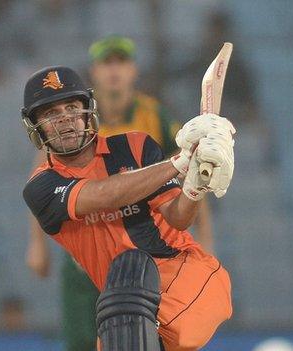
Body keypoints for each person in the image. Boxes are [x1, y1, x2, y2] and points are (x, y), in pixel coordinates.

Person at [21, 65, 233, 351]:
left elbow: (178, 218)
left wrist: (194, 186)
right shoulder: (41, 187)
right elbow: (103, 195)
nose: (65, 120)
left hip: (189, 279)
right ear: (36, 126)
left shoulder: (134, 146)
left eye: (71, 107)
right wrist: (180, 163)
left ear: (87, 112)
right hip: (127, 311)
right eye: (50, 114)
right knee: (125, 287)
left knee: (128, 277)